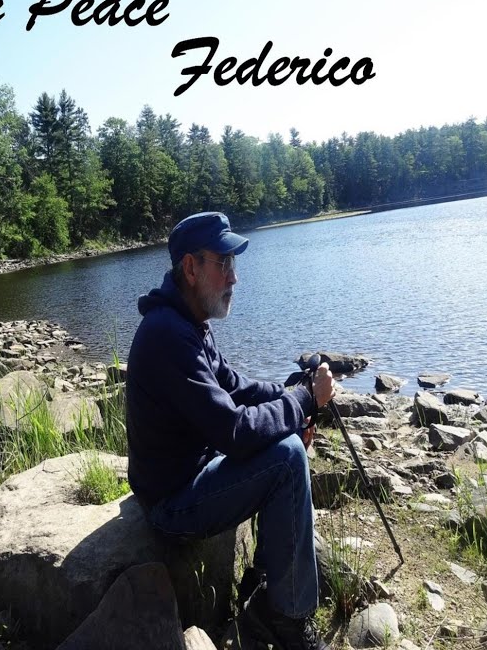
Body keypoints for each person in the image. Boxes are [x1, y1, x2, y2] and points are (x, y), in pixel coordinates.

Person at [125, 211, 335, 650]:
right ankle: (285, 618)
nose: (234, 277)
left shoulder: (187, 321)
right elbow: (234, 432)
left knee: (284, 440)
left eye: (232, 264)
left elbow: (235, 386)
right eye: (224, 263)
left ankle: (264, 584)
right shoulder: (168, 335)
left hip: (190, 471)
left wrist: (289, 393)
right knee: (287, 458)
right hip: (171, 504)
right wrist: (303, 401)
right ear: (190, 267)